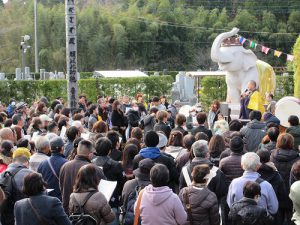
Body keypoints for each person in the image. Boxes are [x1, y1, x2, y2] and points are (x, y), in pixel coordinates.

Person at [92, 137, 125, 221]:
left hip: (94, 201)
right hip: (111, 202)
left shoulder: (91, 164)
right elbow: (121, 183)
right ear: (109, 150)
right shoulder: (116, 165)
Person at [60, 140, 95, 213]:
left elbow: (61, 186)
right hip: (87, 213)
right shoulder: (94, 168)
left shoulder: (65, 166)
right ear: (90, 154)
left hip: (67, 210)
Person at [270, 133, 299, 223]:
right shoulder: (297, 158)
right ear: (292, 143)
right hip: (292, 193)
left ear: (278, 142)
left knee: (278, 219)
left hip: (276, 192)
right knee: (292, 219)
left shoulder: (271, 156)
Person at [0, 148, 33, 225]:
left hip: (6, 218)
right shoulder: (30, 174)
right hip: (24, 218)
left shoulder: (2, 174)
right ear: (27, 162)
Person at [257, 149, 287, 225]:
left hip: (256, 212)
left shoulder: (253, 173)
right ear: (269, 158)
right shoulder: (276, 175)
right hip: (274, 213)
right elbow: (282, 195)